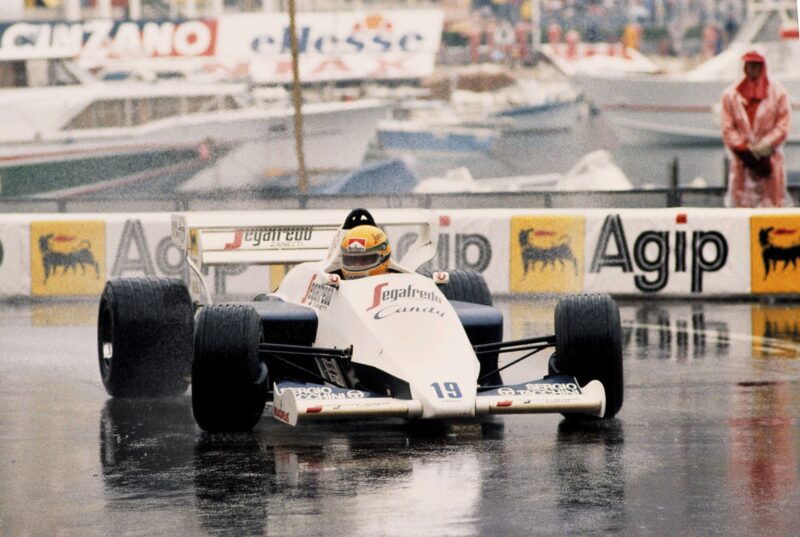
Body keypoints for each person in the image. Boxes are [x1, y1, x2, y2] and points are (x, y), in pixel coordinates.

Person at [721, 50, 792, 208]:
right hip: (742, 160)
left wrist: (766, 145)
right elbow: (728, 128)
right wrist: (744, 149)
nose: (752, 68)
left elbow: (783, 124)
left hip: (769, 160)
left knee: (772, 206)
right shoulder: (730, 95)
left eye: (756, 64)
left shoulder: (778, 94)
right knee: (741, 207)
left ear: (763, 66)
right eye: (749, 64)